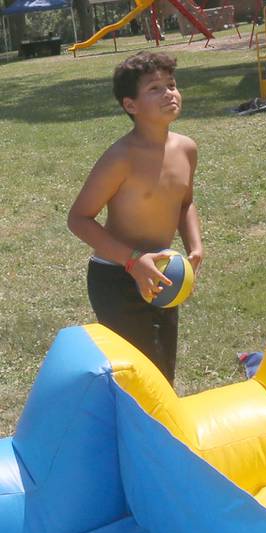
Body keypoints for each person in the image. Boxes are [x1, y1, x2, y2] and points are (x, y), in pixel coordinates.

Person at [67, 52, 203, 385]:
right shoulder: (120, 158)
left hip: (163, 274)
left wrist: (195, 245)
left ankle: (156, 433)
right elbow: (78, 218)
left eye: (171, 85)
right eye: (155, 88)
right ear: (131, 106)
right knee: (135, 375)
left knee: (162, 370)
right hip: (116, 277)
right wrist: (133, 261)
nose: (169, 93)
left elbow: (184, 201)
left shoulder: (186, 149)